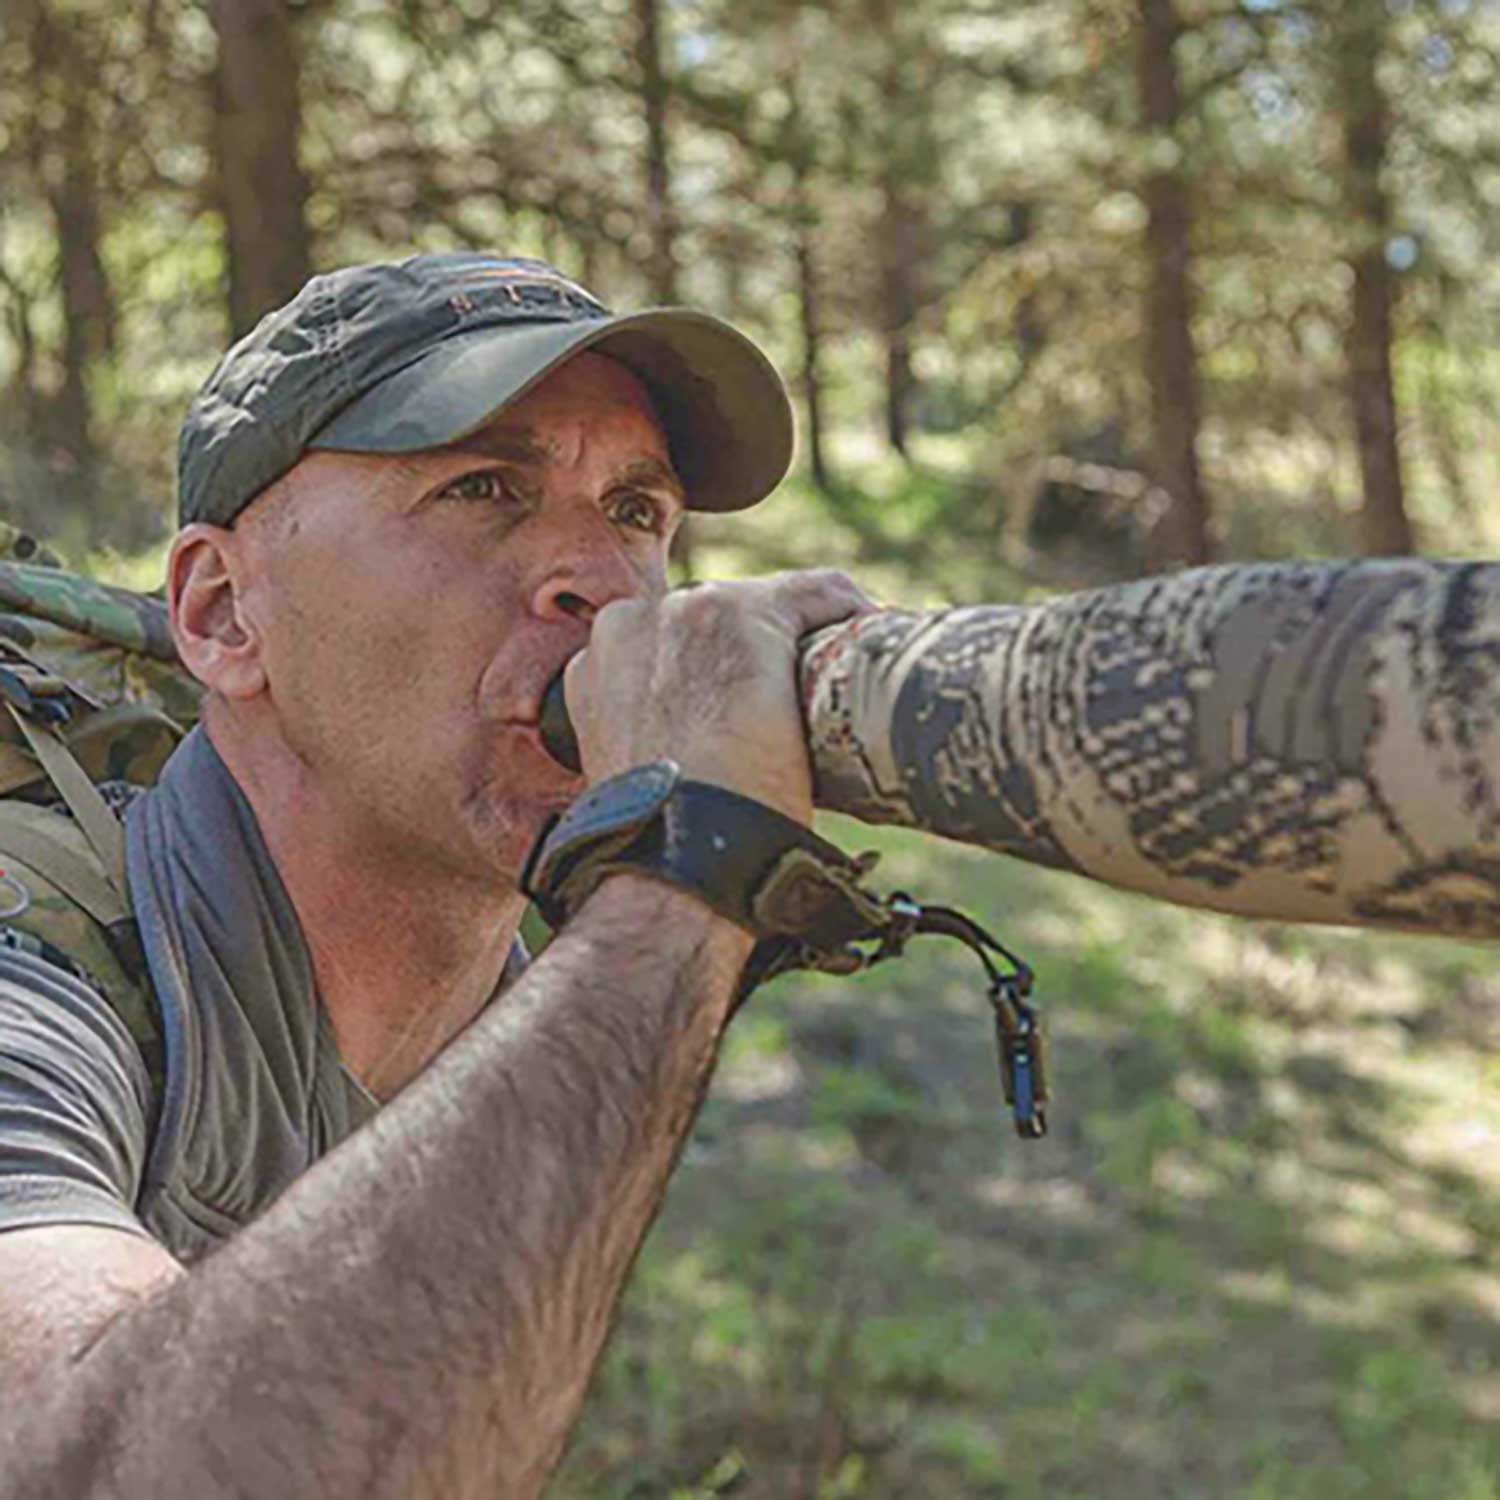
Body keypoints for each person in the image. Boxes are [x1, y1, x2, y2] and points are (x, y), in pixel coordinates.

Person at [0, 253, 871, 1497]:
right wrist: (684, 891)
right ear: (222, 615)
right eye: (483, 487)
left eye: (637, 510)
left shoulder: (517, 1020)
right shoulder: (33, 975)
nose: (607, 581)